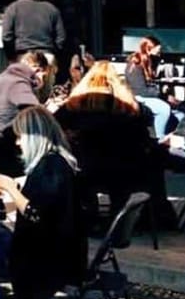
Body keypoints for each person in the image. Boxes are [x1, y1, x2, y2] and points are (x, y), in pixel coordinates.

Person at [0, 106, 88, 299]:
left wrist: (9, 186)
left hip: (44, 258)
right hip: (60, 250)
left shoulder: (50, 166)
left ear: (34, 137)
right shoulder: (58, 162)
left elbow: (35, 213)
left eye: (20, 136)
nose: (17, 143)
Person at [55, 60, 174, 229]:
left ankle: (88, 216)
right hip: (126, 172)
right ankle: (136, 219)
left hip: (85, 171)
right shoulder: (130, 108)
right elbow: (145, 135)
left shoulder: (72, 107)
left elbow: (55, 127)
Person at [0, 50, 49, 174]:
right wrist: (51, 109)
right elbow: (36, 114)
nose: (43, 81)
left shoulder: (6, 76)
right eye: (44, 76)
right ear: (37, 70)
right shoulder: (18, 82)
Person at [0, 0, 66, 62]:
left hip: (23, 56)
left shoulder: (13, 8)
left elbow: (6, 36)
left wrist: (11, 56)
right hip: (47, 55)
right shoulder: (51, 9)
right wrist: (53, 52)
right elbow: (61, 37)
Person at [125, 34, 179, 137]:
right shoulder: (135, 64)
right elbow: (141, 90)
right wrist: (163, 95)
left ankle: (173, 136)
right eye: (157, 51)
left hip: (146, 94)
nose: (159, 54)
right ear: (148, 49)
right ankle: (160, 138)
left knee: (179, 114)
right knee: (163, 108)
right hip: (137, 97)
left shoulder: (150, 62)